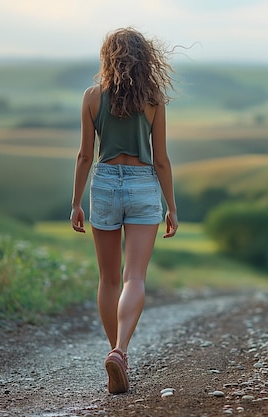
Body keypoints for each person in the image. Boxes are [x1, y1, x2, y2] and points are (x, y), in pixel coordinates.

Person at [70, 27, 178, 394]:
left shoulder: (91, 97)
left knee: (108, 279)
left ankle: (117, 355)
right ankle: (121, 350)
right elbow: (161, 160)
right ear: (145, 59)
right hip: (143, 184)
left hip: (103, 186)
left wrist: (75, 203)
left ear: (108, 57)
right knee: (134, 277)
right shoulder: (153, 100)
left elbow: (85, 155)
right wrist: (172, 208)